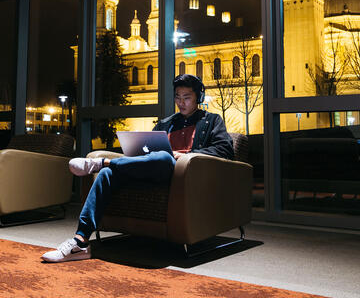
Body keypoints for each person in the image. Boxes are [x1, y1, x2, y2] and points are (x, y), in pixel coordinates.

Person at [41, 74, 234, 262]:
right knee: (107, 175)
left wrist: (187, 156)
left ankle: (101, 163)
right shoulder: (167, 123)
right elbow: (147, 148)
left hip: (180, 174)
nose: (180, 102)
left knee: (164, 158)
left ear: (198, 98)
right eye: (177, 97)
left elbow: (225, 148)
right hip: (150, 170)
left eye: (186, 98)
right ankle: (80, 242)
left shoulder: (211, 121)